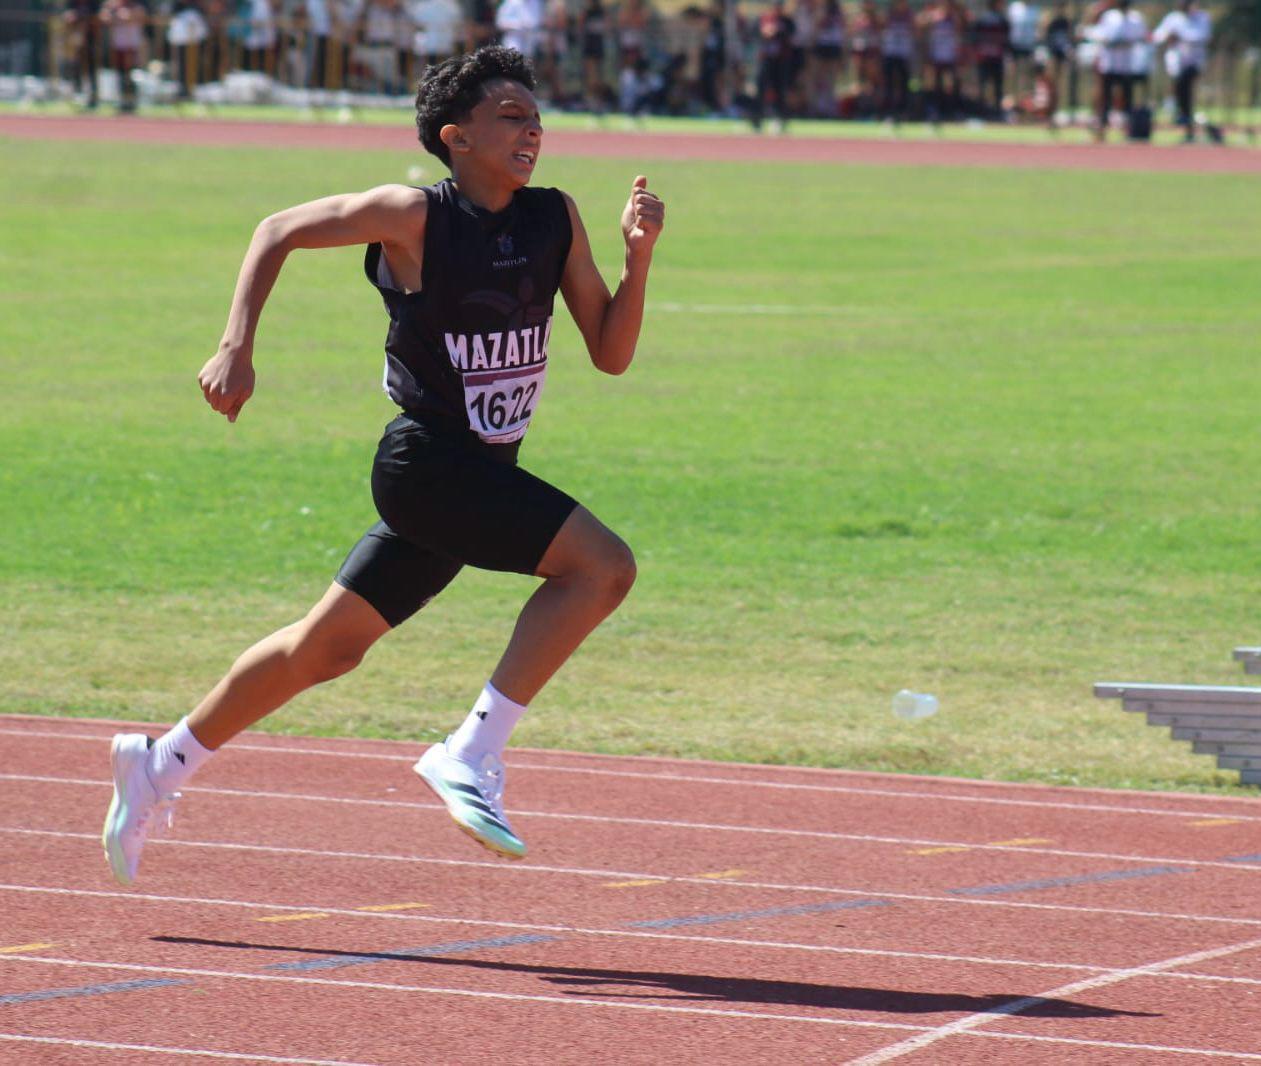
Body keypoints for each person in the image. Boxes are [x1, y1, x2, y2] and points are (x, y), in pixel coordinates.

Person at [100, 45, 666, 888]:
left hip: (477, 475)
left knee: (324, 650)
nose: (532, 129)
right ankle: (468, 753)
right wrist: (235, 346)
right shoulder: (413, 216)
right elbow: (277, 230)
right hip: (427, 467)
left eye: (536, 116)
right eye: (509, 115)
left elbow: (611, 355)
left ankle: (160, 763)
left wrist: (638, 258)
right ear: (455, 136)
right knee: (602, 568)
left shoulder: (554, 218)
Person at [1087, 0, 1146, 141]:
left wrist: (1128, 41)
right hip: (1109, 64)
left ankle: (1129, 130)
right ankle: (1101, 130)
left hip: (1126, 65)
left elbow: (1142, 36)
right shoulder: (1109, 17)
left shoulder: (1136, 18)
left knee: (1127, 98)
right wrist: (1110, 41)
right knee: (1105, 98)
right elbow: (1098, 34)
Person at [1152, 0, 1211, 142]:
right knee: (1180, 88)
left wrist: (1181, 36)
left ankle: (1183, 115)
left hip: (1194, 61)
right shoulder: (1173, 18)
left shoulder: (1202, 17)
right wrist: (1168, 36)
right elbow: (1158, 36)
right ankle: (1183, 117)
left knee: (1184, 85)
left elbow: (1203, 36)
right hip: (1176, 62)